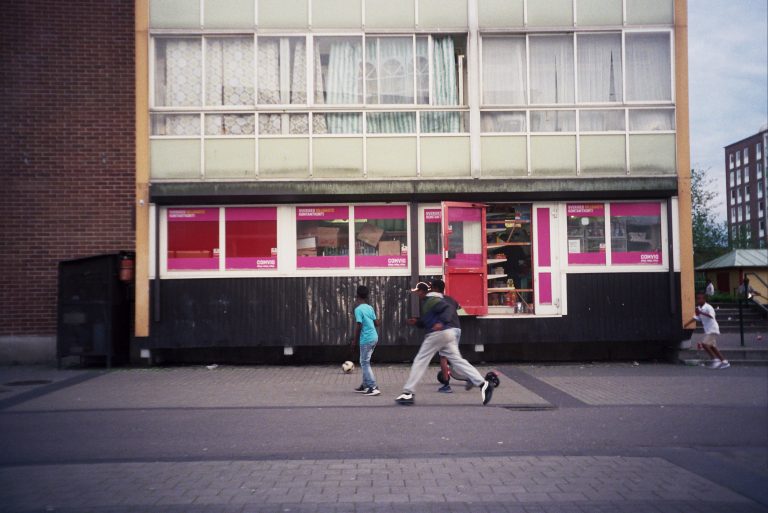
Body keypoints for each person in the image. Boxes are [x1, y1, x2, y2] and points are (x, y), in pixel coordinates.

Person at [395, 282, 495, 406]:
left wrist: (441, 322)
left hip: (437, 334)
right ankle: (483, 384)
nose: (417, 294)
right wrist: (417, 322)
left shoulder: (431, 300)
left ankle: (408, 393)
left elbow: (447, 309)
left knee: (420, 361)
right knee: (458, 361)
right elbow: (429, 320)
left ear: (425, 291)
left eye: (418, 291)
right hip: (448, 334)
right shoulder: (434, 300)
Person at [429, 278, 463, 393]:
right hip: (457, 329)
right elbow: (459, 307)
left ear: (435, 289)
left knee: (443, 358)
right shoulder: (450, 299)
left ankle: (446, 386)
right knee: (454, 356)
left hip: (448, 330)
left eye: (431, 288)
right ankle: (470, 376)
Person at [684, 292, 730, 369]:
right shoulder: (699, 308)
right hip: (708, 330)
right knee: (712, 347)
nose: (698, 300)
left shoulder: (708, 307)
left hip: (713, 329)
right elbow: (696, 318)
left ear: (704, 299)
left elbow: (711, 316)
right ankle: (724, 362)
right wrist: (686, 324)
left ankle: (715, 360)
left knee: (704, 344)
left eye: (700, 298)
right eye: (697, 298)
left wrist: (701, 312)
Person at [352, 285, 381, 396]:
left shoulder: (358, 309)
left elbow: (359, 325)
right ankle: (365, 385)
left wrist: (354, 341)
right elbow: (376, 323)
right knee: (364, 361)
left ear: (357, 295)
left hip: (366, 339)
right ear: (367, 296)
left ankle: (373, 387)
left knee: (364, 362)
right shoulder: (370, 308)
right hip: (374, 337)